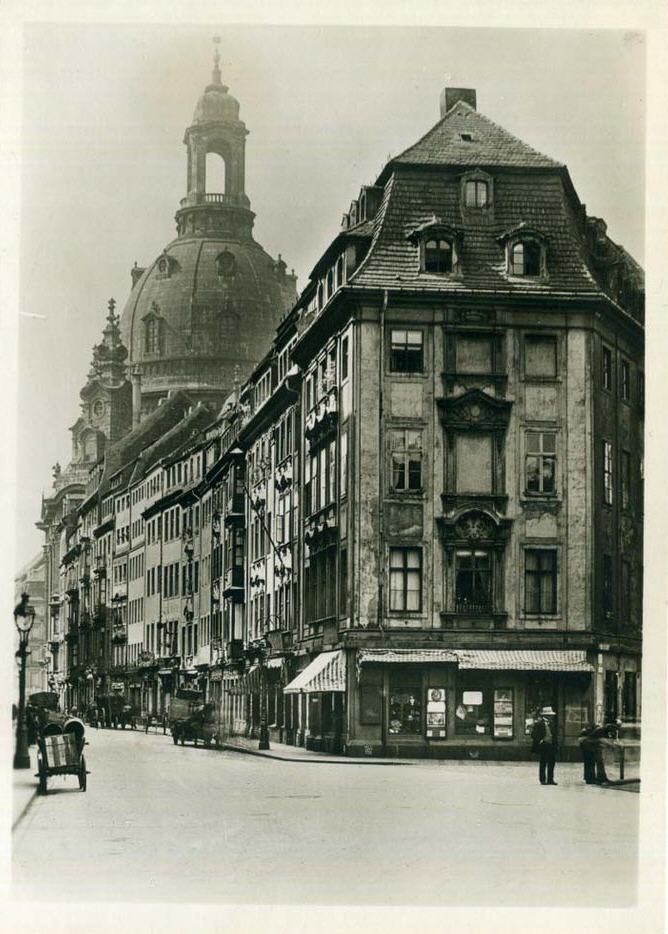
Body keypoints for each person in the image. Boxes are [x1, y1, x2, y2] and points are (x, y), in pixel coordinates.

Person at [530, 706, 558, 785]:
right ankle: (542, 779)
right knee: (543, 762)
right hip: (544, 745)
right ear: (545, 715)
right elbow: (533, 734)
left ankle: (550, 779)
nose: (551, 716)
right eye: (549, 715)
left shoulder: (551, 723)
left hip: (551, 745)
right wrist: (540, 741)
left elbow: (554, 735)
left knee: (552, 762)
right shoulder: (539, 724)